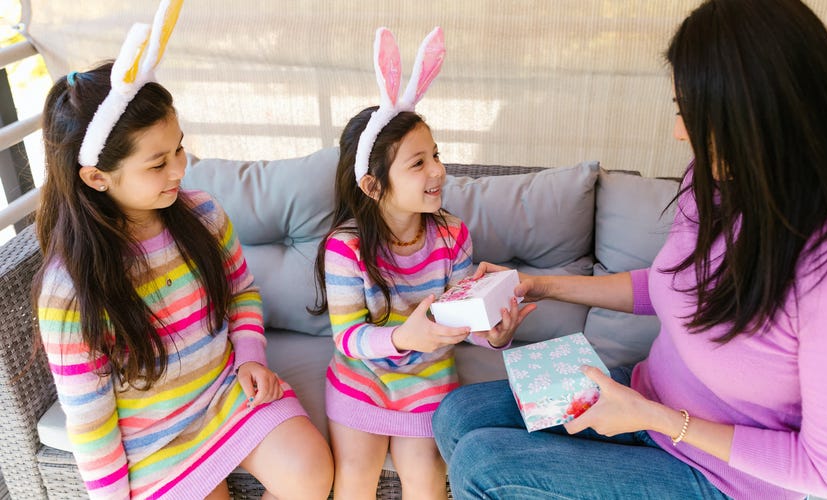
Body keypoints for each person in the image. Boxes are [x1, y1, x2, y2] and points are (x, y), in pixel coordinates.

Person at [432, 0, 827, 498]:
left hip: (724, 475)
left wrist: (657, 419)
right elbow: (670, 285)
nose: (681, 132)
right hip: (645, 401)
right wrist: (539, 286)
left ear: (757, 114)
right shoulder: (720, 180)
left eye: (691, 115)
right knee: (457, 416)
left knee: (485, 467)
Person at [33, 3, 332, 499]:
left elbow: (243, 292)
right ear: (96, 177)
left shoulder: (204, 214)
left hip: (228, 394)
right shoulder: (70, 291)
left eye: (179, 149)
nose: (179, 169)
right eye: (157, 163)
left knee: (311, 473)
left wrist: (251, 357)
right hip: (152, 441)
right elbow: (89, 418)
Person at [311, 27, 534, 499]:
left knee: (427, 489)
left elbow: (461, 314)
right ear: (373, 186)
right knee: (354, 487)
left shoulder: (452, 234)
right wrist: (400, 337)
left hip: (430, 386)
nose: (438, 170)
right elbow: (347, 337)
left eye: (436, 154)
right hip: (361, 383)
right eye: (417, 163)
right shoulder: (345, 248)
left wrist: (492, 334)